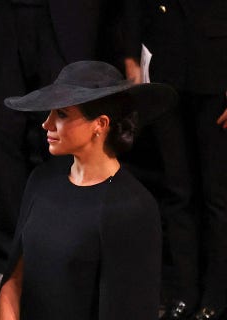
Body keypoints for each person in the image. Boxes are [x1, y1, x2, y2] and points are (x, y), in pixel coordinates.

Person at [0, 1, 143, 309]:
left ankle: (58, 268)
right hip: (5, 17)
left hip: (72, 18)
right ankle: (6, 269)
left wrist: (130, 50)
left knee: (66, 139)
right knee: (1, 139)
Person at [0, 61, 174, 320]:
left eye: (62, 114)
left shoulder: (133, 208)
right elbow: (12, 283)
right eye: (49, 113)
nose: (47, 124)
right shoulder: (41, 180)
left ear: (100, 124)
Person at [132, 1, 227, 319]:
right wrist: (131, 58)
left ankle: (217, 297)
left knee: (218, 196)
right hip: (165, 67)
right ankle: (185, 294)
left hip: (217, 72)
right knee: (177, 190)